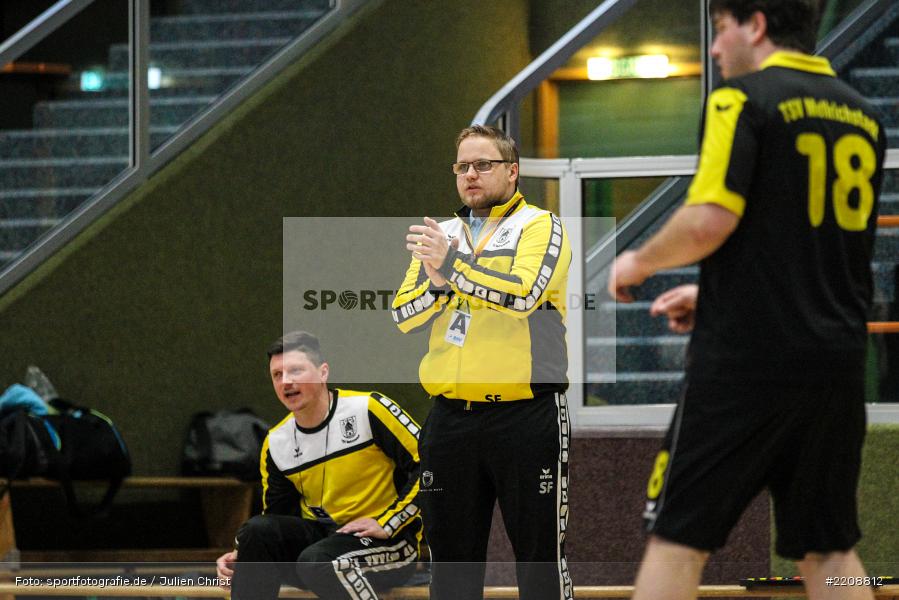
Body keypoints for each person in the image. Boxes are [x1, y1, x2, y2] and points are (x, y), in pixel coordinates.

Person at [608, 0, 885, 598]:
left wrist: (637, 259)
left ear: (755, 24)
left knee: (677, 540)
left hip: (744, 366)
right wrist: (718, 293)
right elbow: (807, 247)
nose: (713, 49)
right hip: (834, 366)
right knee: (829, 550)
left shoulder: (741, 99)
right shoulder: (863, 115)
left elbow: (710, 219)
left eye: (719, 30)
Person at [392, 124, 573, 600]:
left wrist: (451, 269)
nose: (471, 174)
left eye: (483, 165)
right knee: (450, 568)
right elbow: (403, 314)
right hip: (451, 418)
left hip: (526, 414)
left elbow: (524, 295)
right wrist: (436, 284)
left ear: (512, 172)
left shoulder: (540, 224)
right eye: (462, 166)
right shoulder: (442, 234)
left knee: (538, 563)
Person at [215, 331, 423, 600]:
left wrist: (389, 522)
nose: (286, 381)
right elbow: (276, 521)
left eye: (296, 371)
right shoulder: (276, 442)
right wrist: (243, 555)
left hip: (388, 543)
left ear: (323, 372)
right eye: (277, 375)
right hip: (322, 543)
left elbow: (432, 467)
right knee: (255, 532)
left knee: (319, 562)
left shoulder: (367, 409)